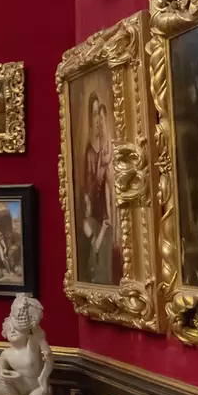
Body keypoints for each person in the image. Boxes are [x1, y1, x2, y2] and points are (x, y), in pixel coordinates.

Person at [81, 92, 117, 283]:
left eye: (98, 114)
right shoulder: (89, 151)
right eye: (93, 114)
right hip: (95, 212)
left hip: (105, 209)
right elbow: (88, 186)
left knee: (108, 259)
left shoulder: (105, 144)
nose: (96, 119)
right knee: (99, 257)